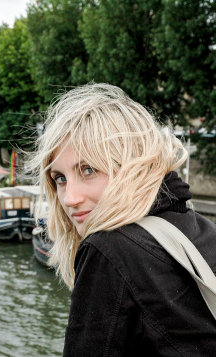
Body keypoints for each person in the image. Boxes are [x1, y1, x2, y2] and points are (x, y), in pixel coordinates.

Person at [28, 83, 216, 356]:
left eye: (88, 169)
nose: (69, 198)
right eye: (60, 178)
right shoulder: (199, 229)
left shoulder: (108, 248)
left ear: (130, 165)